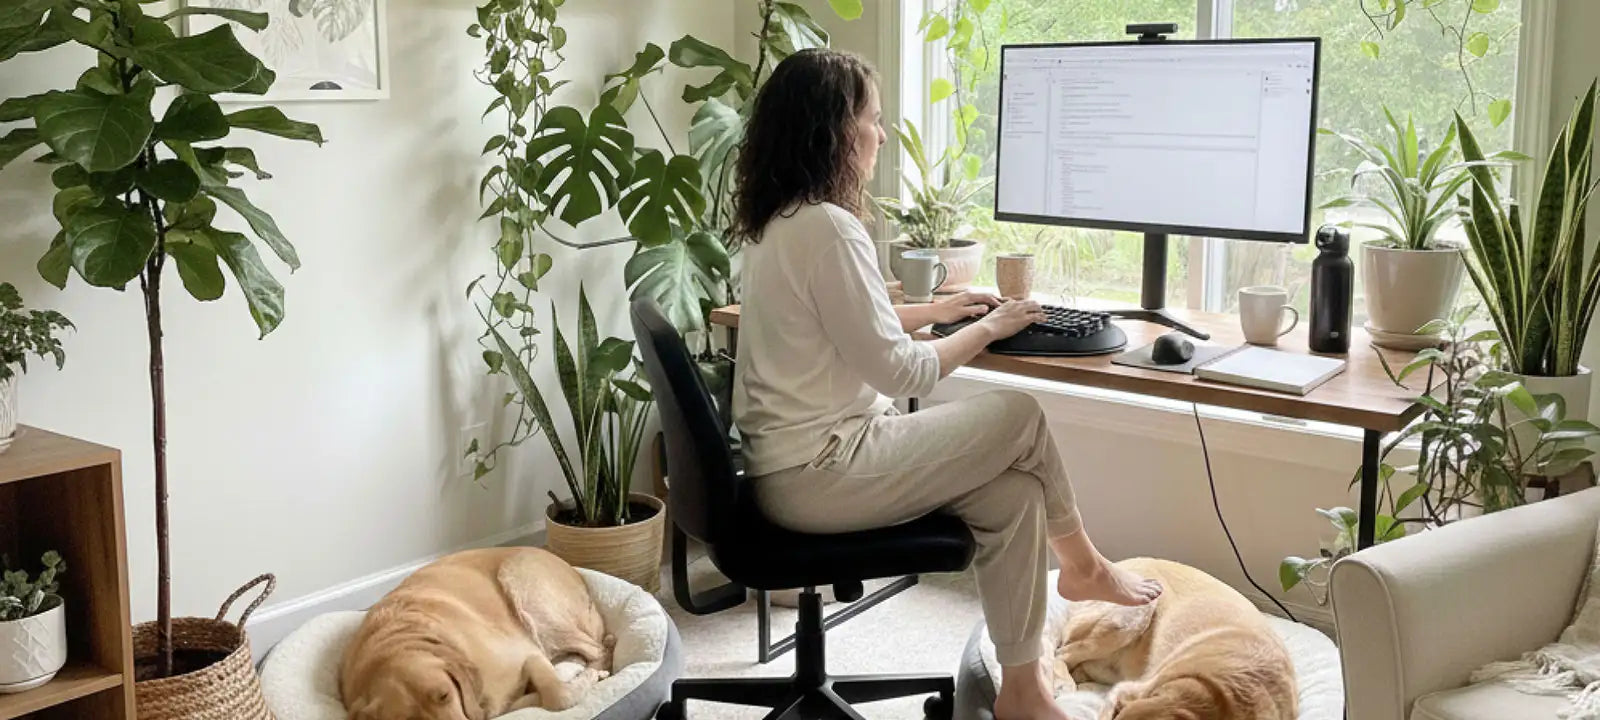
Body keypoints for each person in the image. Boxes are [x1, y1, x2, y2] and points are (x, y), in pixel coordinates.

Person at [728, 48, 1162, 720]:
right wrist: (990, 328)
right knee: (1019, 414)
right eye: (871, 120)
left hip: (788, 469)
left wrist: (932, 313)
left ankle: (1024, 692)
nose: (879, 135)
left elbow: (835, 320)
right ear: (836, 133)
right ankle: (1086, 566)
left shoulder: (780, 223)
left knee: (1014, 492)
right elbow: (902, 371)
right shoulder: (831, 230)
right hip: (823, 470)